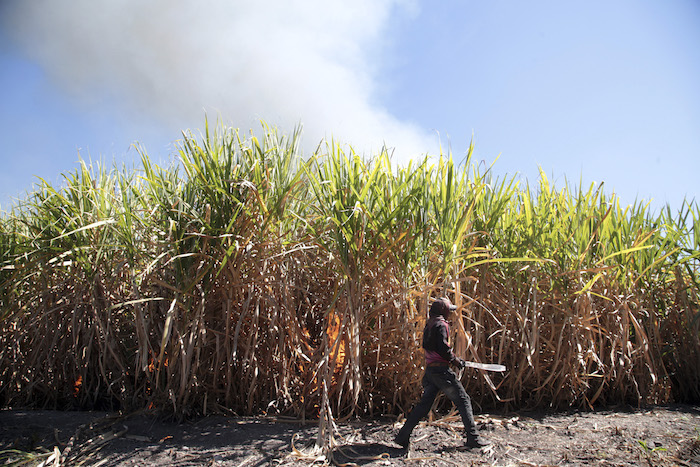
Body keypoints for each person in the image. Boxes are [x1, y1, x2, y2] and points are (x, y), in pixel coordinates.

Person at [394, 297, 490, 449]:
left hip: (431, 372)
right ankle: (473, 438)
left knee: (424, 406)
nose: (450, 314)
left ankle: (402, 436)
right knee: (464, 400)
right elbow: (443, 348)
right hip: (441, 372)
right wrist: (455, 360)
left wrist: (452, 359)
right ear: (443, 311)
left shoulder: (430, 325)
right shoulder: (441, 325)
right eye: (449, 311)